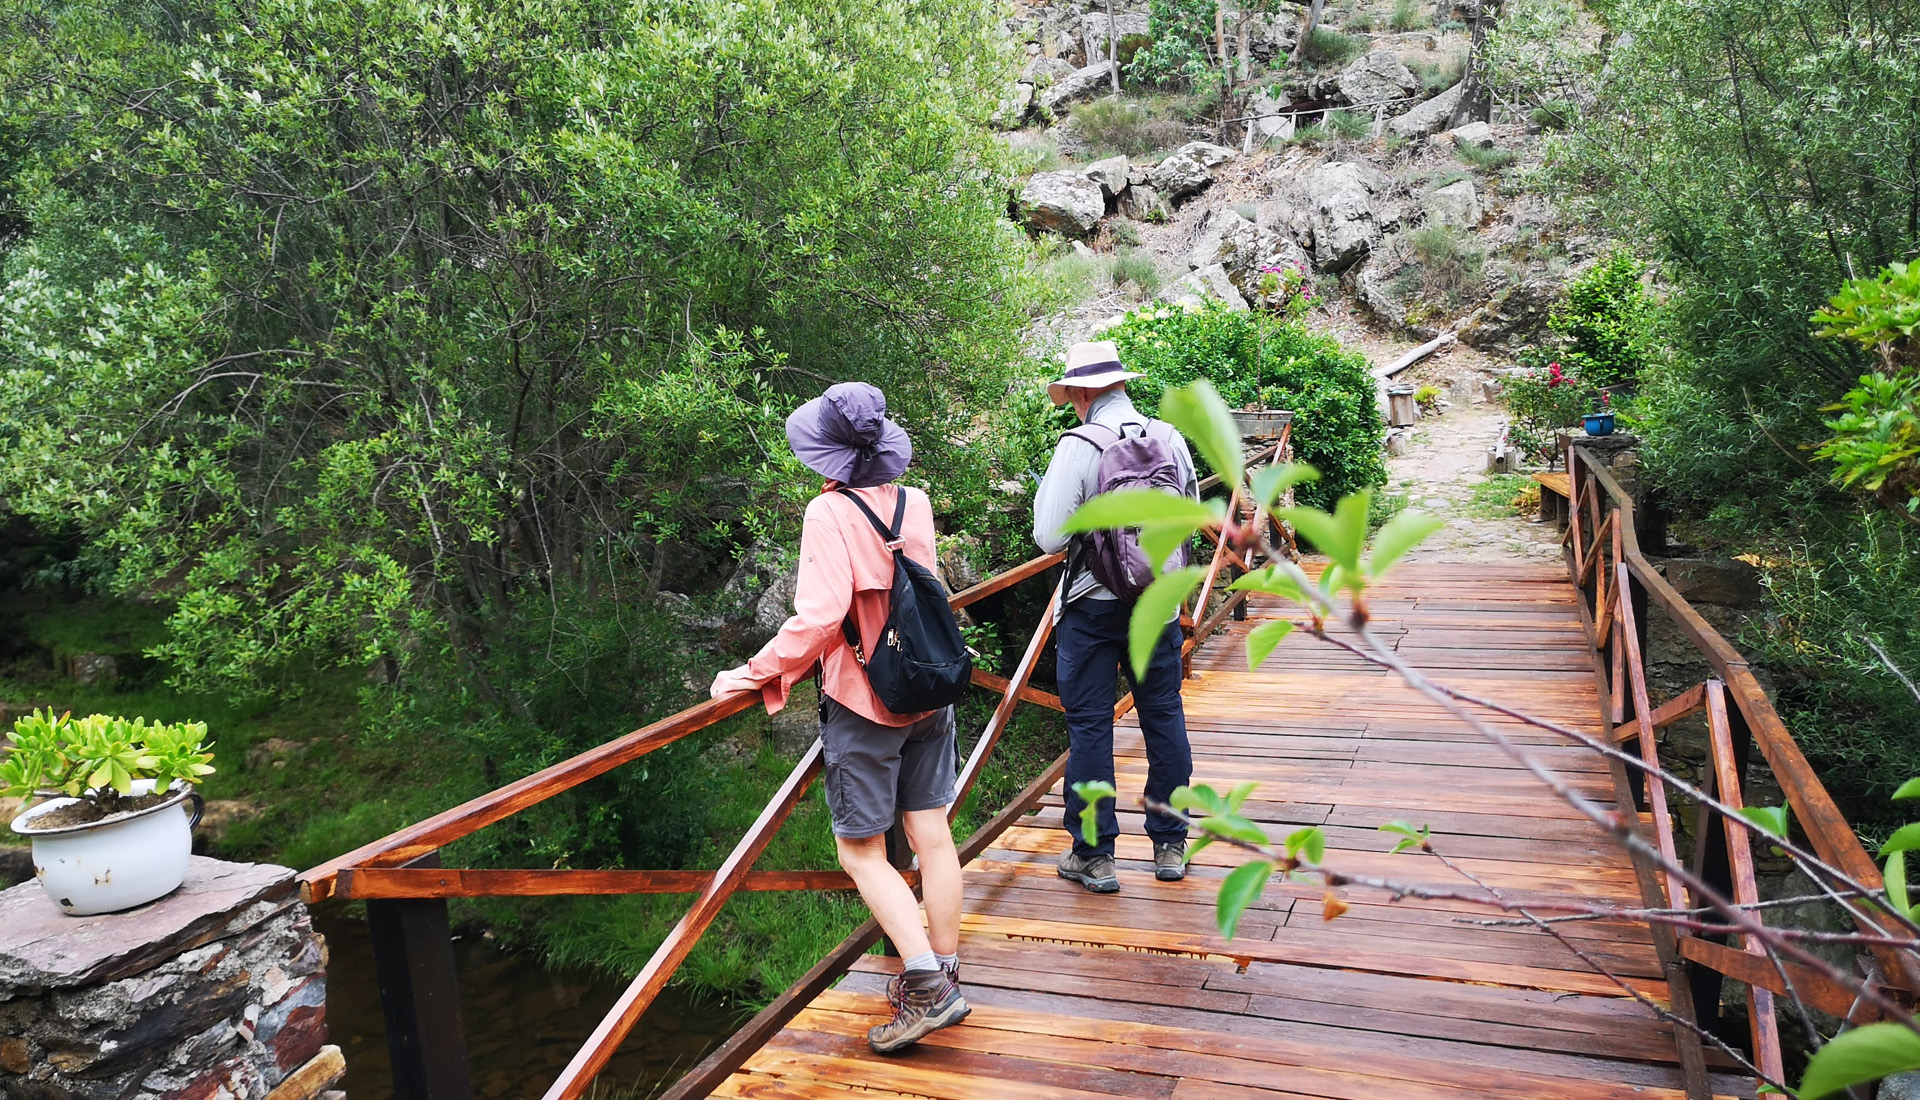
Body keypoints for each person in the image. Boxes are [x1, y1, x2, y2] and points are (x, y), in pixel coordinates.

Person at [709, 382, 968, 1054]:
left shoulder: (828, 515)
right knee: (931, 832)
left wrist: (752, 674)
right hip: (929, 688)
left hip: (867, 701)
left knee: (859, 849)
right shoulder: (916, 501)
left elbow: (821, 619)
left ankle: (928, 989)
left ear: (827, 454)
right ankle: (942, 967)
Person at [1032, 340, 1199, 894]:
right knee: (1163, 715)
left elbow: (1050, 537)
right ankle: (1170, 844)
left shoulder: (1078, 445)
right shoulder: (1168, 437)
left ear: (1080, 391)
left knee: (1090, 725)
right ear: (1123, 383)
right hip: (1158, 604)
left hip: (1091, 604)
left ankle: (1094, 855)